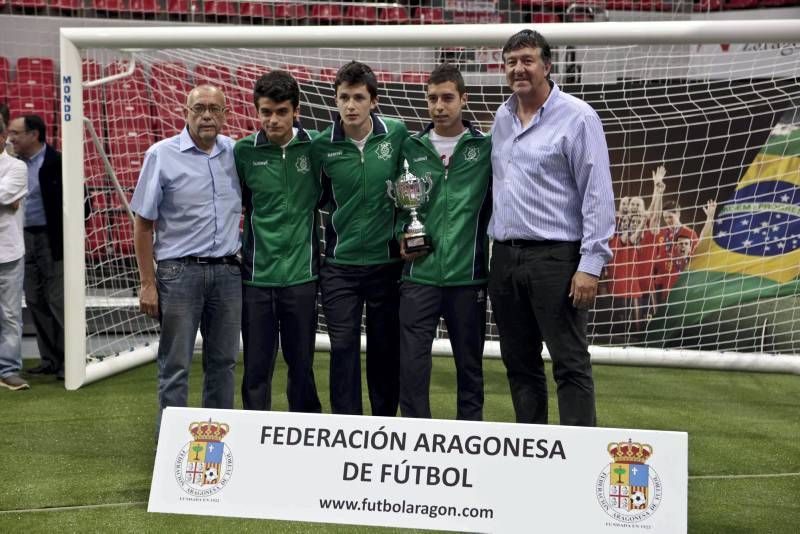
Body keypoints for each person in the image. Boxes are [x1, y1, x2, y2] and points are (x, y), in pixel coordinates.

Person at [488, 30, 616, 427]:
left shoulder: (578, 117)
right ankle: (534, 458)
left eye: (527, 60)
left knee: (570, 363)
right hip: (506, 257)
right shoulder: (501, 117)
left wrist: (591, 264)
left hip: (557, 259)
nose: (518, 68)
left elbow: (597, 193)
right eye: (511, 62)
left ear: (547, 65)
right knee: (519, 363)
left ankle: (579, 463)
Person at [131, 85, 242, 439]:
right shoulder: (160, 155)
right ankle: (172, 449)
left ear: (226, 114)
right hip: (178, 275)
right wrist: (147, 283)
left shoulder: (237, 154)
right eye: (199, 108)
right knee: (176, 364)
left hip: (228, 272)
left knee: (223, 363)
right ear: (185, 111)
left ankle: (217, 446)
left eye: (214, 109)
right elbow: (143, 224)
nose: (207, 115)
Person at [311, 61, 408, 416]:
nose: (350, 105)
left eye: (358, 97)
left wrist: (401, 235)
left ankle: (385, 423)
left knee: (385, 349)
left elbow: (407, 193)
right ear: (335, 100)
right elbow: (315, 198)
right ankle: (346, 428)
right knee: (343, 349)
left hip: (387, 264)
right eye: (343, 98)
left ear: (374, 101)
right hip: (339, 267)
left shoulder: (396, 135)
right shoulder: (322, 145)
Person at [396, 63, 491, 421]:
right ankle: (415, 439)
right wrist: (399, 239)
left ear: (463, 99)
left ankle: (470, 441)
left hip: (468, 278)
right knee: (413, 369)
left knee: (470, 368)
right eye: (433, 98)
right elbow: (394, 206)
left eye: (447, 97)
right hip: (418, 277)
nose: (439, 105)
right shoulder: (410, 148)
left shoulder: (485, 149)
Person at [235, 71, 322, 413]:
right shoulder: (242, 152)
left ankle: (307, 435)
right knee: (256, 370)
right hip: (256, 278)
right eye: (266, 112)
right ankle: (254, 441)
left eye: (281, 111)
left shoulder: (317, 147)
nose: (273, 120)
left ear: (296, 111)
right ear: (257, 111)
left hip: (302, 277)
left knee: (302, 367)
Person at [7, 115, 65, 380]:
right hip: (22, 238)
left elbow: (84, 202)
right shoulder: (13, 165)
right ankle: (49, 359)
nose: (11, 138)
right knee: (34, 300)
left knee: (57, 300)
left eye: (16, 133)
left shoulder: (59, 162)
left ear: (34, 135)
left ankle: (69, 359)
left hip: (52, 240)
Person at [0, 118, 30, 391]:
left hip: (8, 253)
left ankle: (8, 369)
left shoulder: (17, 167)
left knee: (9, 314)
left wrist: (7, 199)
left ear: (2, 137)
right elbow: (4, 197)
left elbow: (6, 193)